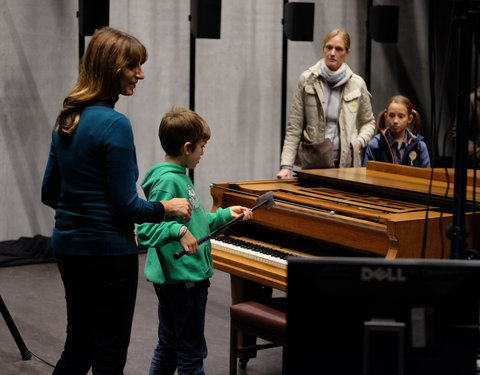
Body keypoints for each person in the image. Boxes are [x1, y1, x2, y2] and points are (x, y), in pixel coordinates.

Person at [41, 27, 192, 375]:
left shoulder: (67, 119)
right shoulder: (114, 124)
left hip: (67, 247)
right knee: (109, 356)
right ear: (111, 67)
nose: (140, 74)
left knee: (77, 347)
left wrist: (81, 212)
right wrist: (166, 208)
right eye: (133, 66)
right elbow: (129, 207)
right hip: (109, 255)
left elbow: (50, 193)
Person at [136, 106, 253, 375]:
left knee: (169, 346)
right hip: (184, 281)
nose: (203, 153)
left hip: (179, 280)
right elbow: (144, 230)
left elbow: (196, 225)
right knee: (190, 354)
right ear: (188, 148)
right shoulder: (169, 183)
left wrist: (225, 215)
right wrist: (176, 231)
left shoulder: (179, 179)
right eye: (202, 147)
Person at [277, 28, 376, 178]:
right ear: (323, 48)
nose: (332, 53)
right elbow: (294, 126)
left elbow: (368, 122)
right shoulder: (307, 79)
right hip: (314, 161)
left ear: (347, 52)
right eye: (329, 47)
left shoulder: (357, 84)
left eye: (338, 49)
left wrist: (359, 142)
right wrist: (286, 165)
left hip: (346, 162)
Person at [363, 95, 431, 168]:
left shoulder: (419, 146)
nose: (395, 121)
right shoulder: (375, 145)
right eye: (391, 116)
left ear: (409, 118)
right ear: (386, 116)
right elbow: (366, 174)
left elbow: (426, 176)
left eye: (401, 116)